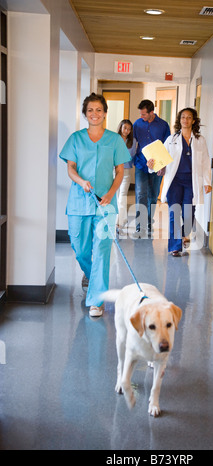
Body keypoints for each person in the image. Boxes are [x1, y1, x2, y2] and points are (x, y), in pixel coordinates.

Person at [59, 93, 130, 316]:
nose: (95, 114)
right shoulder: (76, 139)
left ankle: (97, 300)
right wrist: (81, 181)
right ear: (85, 113)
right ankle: (90, 274)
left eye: (99, 110)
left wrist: (111, 194)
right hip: (80, 201)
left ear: (105, 113)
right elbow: (70, 168)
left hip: (105, 204)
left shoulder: (115, 140)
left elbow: (120, 171)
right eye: (90, 110)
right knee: (80, 249)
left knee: (101, 250)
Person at [148, 107, 212, 256]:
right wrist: (153, 166)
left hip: (192, 182)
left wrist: (207, 182)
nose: (185, 120)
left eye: (189, 117)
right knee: (174, 212)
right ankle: (175, 247)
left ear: (193, 120)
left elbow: (204, 162)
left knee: (189, 213)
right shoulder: (171, 140)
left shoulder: (199, 140)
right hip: (175, 181)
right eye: (183, 117)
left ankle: (184, 233)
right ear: (179, 120)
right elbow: (160, 159)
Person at [133, 99, 170, 237]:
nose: (141, 116)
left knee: (153, 196)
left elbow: (167, 146)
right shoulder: (137, 124)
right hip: (141, 164)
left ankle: (148, 222)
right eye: (140, 114)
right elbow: (133, 143)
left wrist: (163, 165)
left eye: (144, 114)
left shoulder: (163, 125)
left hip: (157, 166)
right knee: (141, 194)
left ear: (151, 112)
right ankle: (139, 225)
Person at [116, 119, 137, 234]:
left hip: (126, 172)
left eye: (129, 129)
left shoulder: (132, 141)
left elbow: (132, 156)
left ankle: (120, 222)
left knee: (122, 197)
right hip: (114, 171)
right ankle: (117, 220)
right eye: (125, 128)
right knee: (116, 195)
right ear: (120, 128)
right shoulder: (114, 139)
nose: (127, 131)